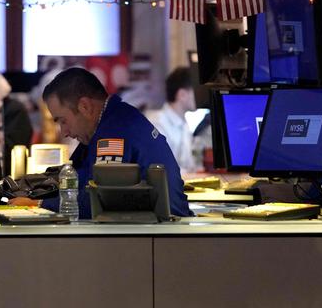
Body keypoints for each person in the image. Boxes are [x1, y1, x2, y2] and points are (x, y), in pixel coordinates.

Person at [12, 67, 191, 218]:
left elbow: (102, 198)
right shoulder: (108, 121)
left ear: (85, 107)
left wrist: (41, 203)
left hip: (166, 239)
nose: (64, 132)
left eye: (63, 120)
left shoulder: (115, 131)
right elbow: (80, 178)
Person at [144, 67, 199, 173]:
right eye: (197, 90)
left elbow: (189, 166)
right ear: (182, 94)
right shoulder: (157, 124)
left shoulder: (183, 123)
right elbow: (160, 169)